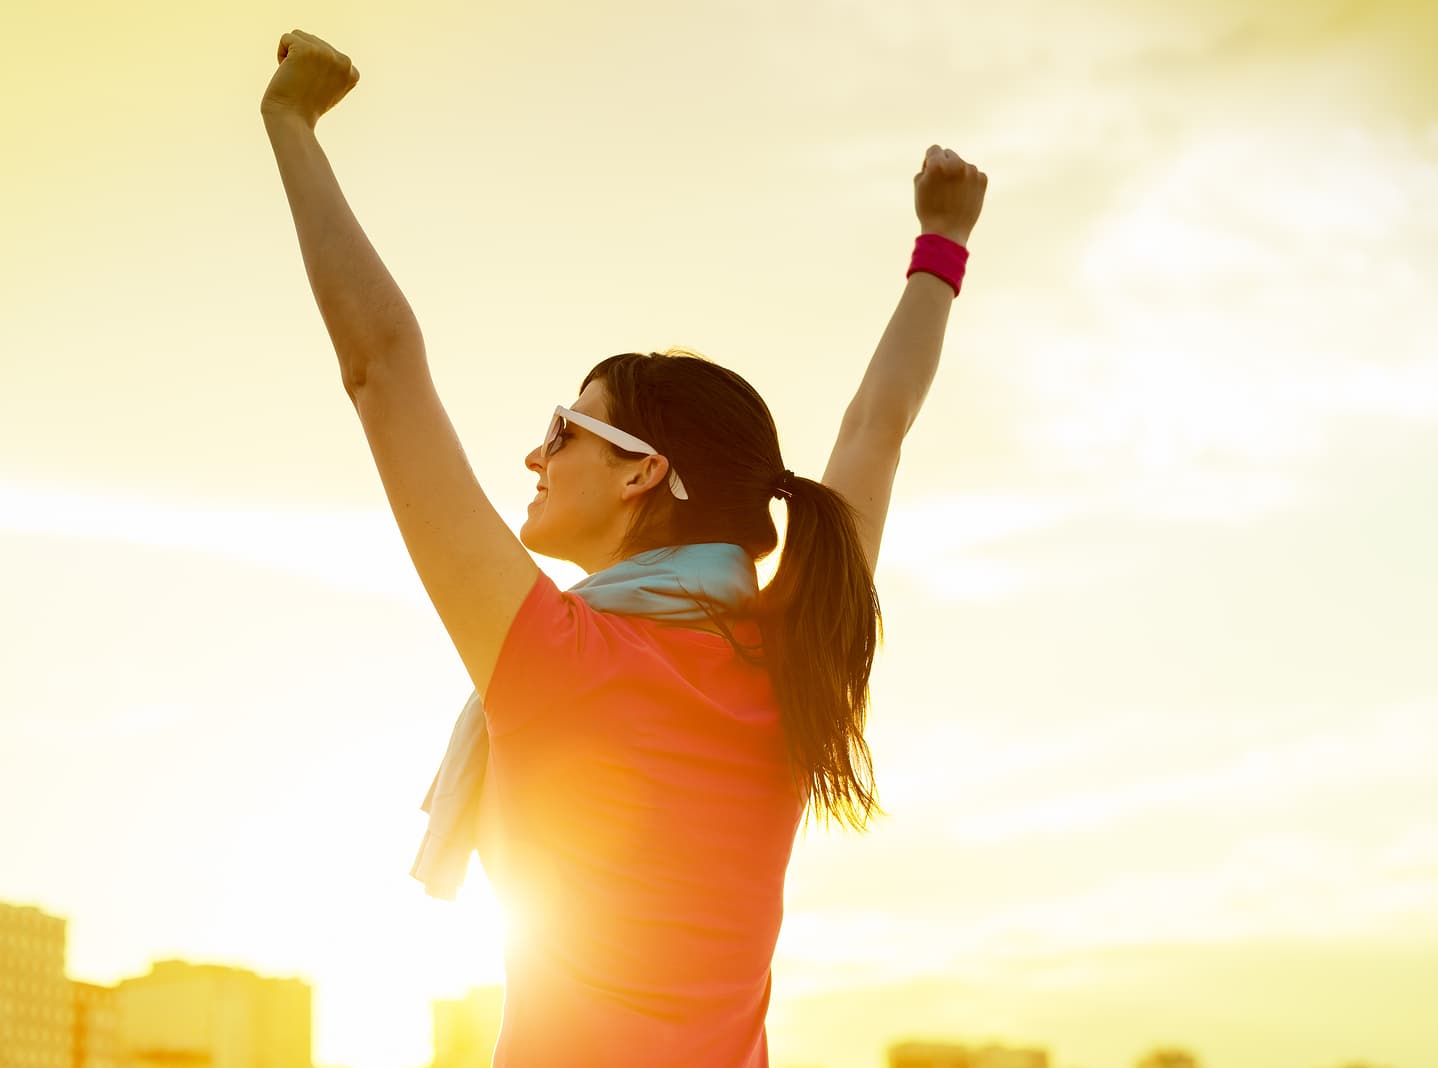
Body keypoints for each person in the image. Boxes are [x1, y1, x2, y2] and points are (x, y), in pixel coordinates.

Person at [261, 29, 987, 1067]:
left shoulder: (557, 660)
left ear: (644, 473)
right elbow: (878, 429)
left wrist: (291, 124)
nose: (534, 454)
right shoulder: (797, 656)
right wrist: (942, 244)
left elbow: (381, 367)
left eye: (564, 427)